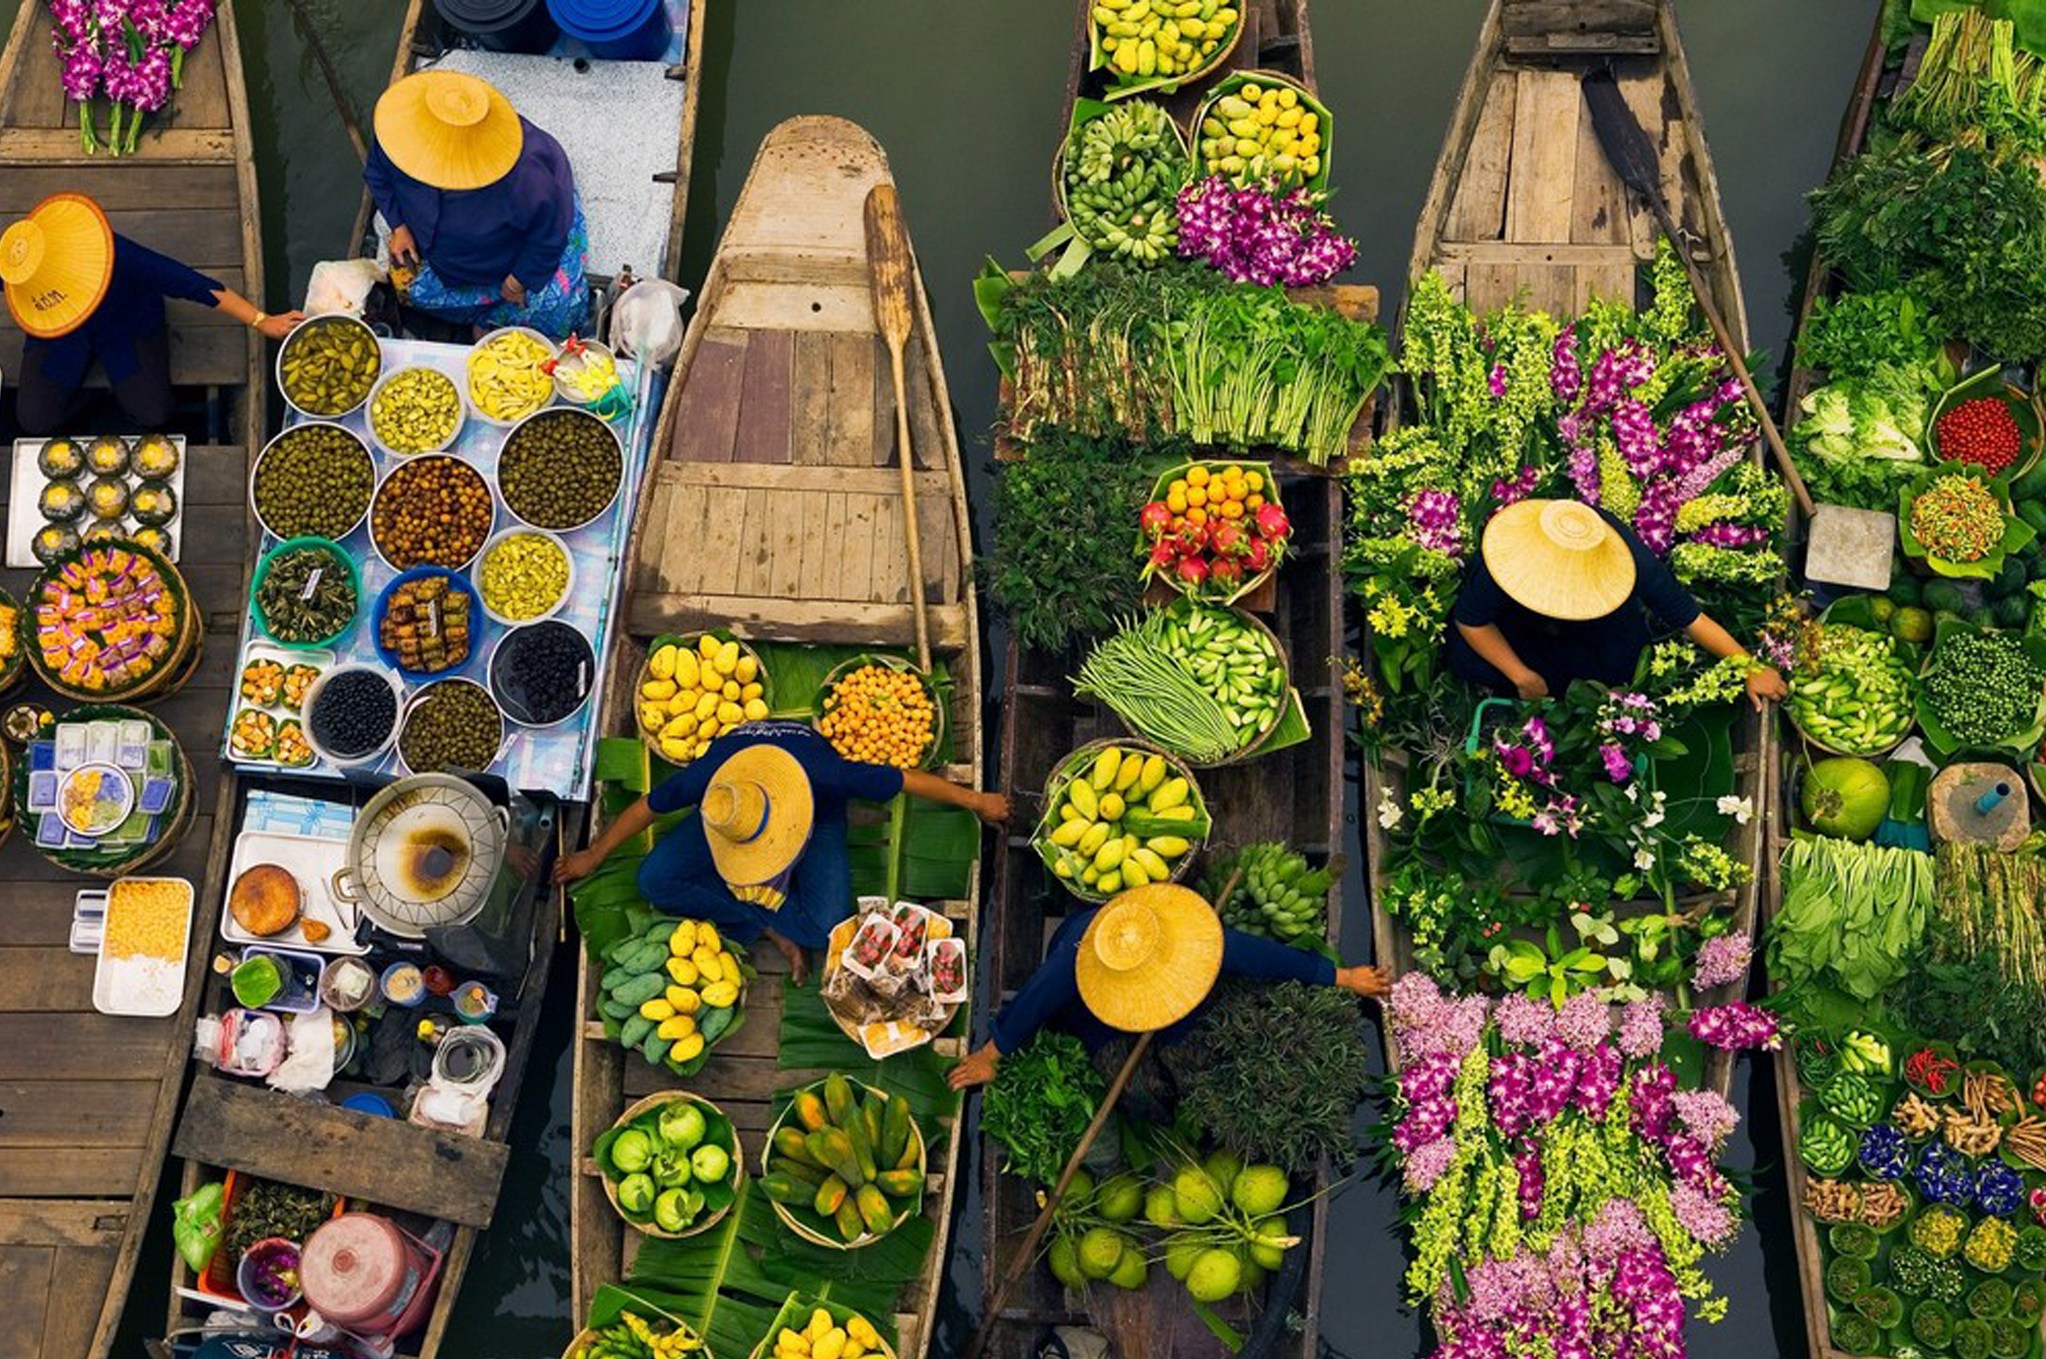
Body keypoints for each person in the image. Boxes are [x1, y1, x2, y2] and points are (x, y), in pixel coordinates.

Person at [554, 719, 1008, 981]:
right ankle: (766, 924)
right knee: (653, 879)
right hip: (733, 814)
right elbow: (647, 807)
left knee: (826, 928)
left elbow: (904, 779)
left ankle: (765, 913)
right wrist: (594, 854)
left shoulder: (827, 775)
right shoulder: (711, 780)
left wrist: (978, 801)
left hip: (817, 814)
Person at [947, 883, 1388, 1091]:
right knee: (1135, 1087)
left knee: (1194, 1053)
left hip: (1175, 1008)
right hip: (1096, 1017)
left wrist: (1344, 978)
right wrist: (990, 1055)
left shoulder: (1199, 943)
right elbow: (1033, 1002)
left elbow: (1265, 958)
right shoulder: (1074, 965)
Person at [1, 192, 303, 435]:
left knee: (154, 413)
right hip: (60, 334)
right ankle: (96, 396)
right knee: (35, 420)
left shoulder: (114, 255)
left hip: (125, 326)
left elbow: (194, 285)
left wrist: (261, 320)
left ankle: (121, 392)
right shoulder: (17, 267)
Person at [1447, 498, 1787, 711]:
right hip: (1516, 617)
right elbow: (1471, 620)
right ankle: (1545, 684)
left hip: (1595, 620)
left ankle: (1575, 691)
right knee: (1464, 656)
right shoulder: (1510, 559)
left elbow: (1689, 618)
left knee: (1620, 662)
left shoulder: (1626, 559)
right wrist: (1522, 676)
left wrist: (1749, 667)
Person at [364, 70, 588, 339]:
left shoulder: (524, 179)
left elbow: (549, 234)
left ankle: (494, 316)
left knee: (555, 308)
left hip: (504, 257)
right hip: (448, 260)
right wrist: (399, 225)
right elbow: (377, 174)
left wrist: (517, 281)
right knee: (411, 294)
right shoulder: (400, 138)